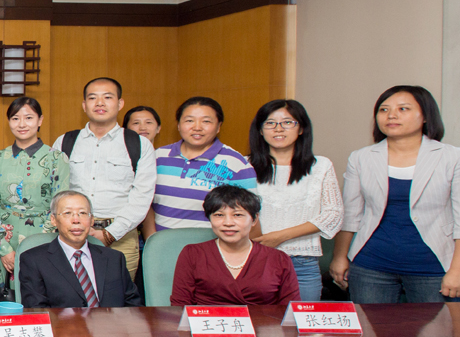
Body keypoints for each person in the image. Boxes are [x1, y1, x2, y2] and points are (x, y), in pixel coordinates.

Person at [332, 85, 460, 303]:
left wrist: (457, 270)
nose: (391, 115)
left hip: (433, 266)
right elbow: (351, 214)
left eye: (403, 109)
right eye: (384, 109)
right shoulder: (361, 158)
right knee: (370, 326)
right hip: (371, 265)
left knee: (439, 327)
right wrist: (339, 257)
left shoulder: (451, 157)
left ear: (425, 116)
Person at [51, 78, 154, 280]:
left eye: (107, 97)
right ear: (84, 105)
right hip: (70, 232)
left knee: (117, 296)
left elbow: (142, 196)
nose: (100, 103)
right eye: (93, 98)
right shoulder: (64, 142)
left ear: (120, 103)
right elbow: (56, 191)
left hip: (121, 238)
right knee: (69, 292)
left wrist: (110, 233)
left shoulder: (139, 144)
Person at [247, 99, 342, 302]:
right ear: (260, 130)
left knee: (303, 321)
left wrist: (281, 236)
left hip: (302, 264)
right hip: (253, 260)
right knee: (258, 321)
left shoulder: (321, 166)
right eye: (270, 123)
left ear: (301, 129)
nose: (278, 128)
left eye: (287, 122)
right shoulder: (244, 166)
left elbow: (333, 215)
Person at [0, 97, 71, 287]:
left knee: (39, 293)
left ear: (40, 120)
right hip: (5, 243)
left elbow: (60, 207)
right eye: (15, 118)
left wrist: (39, 245)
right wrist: (4, 249)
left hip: (43, 241)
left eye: (29, 118)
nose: (22, 124)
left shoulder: (57, 159)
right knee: (5, 297)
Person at [170, 185, 300, 306]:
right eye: (219, 215)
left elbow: (290, 311)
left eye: (237, 215)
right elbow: (180, 306)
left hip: (263, 324)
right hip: (207, 323)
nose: (228, 223)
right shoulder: (192, 254)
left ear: (254, 219)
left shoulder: (279, 259)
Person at [147, 97, 257, 234]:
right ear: (179, 125)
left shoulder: (236, 163)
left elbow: (249, 216)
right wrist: (152, 239)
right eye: (189, 121)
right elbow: (145, 202)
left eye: (206, 121)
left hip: (210, 244)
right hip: (162, 242)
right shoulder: (158, 157)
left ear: (218, 126)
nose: (197, 127)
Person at [18, 190, 142, 308]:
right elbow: (37, 312)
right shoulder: (34, 260)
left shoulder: (114, 259)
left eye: (82, 213)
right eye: (67, 213)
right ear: (53, 220)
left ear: (92, 220)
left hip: (111, 323)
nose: (76, 220)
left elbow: (133, 307)